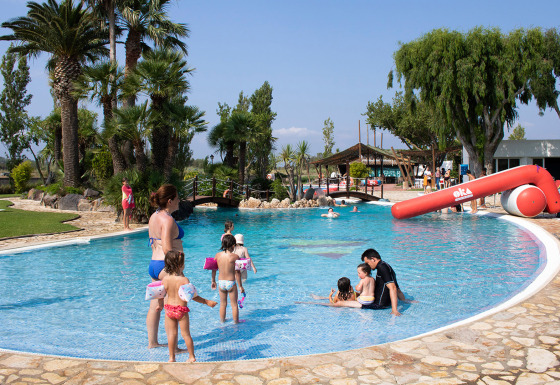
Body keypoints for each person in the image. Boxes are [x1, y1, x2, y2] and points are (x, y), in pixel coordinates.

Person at [162, 250, 217, 362]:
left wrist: (159, 305)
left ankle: (171, 358)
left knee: (171, 334)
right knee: (186, 334)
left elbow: (161, 294)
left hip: (169, 309)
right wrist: (207, 302)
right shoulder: (183, 280)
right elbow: (192, 296)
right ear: (181, 265)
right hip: (181, 310)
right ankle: (191, 357)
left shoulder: (165, 279)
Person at [147, 184, 184, 348]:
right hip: (166, 266)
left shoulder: (154, 216)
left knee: (155, 305)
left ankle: (153, 343)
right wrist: (178, 271)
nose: (179, 200)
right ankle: (173, 347)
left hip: (154, 265)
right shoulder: (167, 220)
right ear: (170, 201)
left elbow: (154, 242)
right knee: (172, 305)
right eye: (177, 198)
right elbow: (169, 249)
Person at [361, 248, 408, 316]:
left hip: (378, 305)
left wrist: (394, 310)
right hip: (383, 303)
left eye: (367, 263)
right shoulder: (386, 265)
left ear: (373, 259)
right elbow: (397, 289)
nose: (367, 266)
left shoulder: (382, 268)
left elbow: (393, 287)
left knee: (349, 302)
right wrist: (404, 301)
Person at [211, 234, 245, 323]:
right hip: (231, 283)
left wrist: (213, 280)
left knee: (223, 304)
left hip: (221, 283)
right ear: (233, 245)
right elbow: (237, 272)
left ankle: (222, 322)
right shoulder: (235, 257)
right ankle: (236, 323)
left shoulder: (217, 255)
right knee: (234, 305)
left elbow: (214, 269)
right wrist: (240, 286)